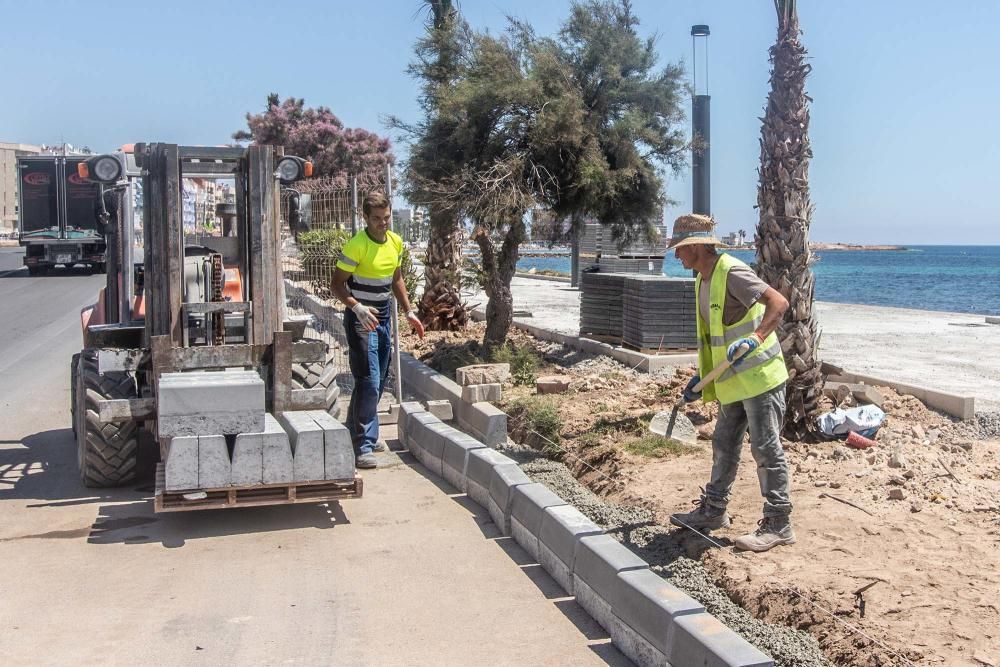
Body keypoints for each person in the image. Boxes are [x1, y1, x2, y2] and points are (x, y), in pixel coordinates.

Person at [666, 214, 795, 552]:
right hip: (732, 382)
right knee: (724, 444)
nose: (676, 256)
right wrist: (701, 380)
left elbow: (779, 303)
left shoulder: (731, 271)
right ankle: (713, 511)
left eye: (679, 250)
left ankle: (779, 522)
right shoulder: (702, 279)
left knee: (766, 449)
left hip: (760, 378)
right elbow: (716, 341)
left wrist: (757, 337)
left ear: (695, 246)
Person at [332, 192, 424, 469]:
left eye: (386, 218)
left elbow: (397, 278)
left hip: (384, 316)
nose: (383, 224)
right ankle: (364, 445)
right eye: (376, 219)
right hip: (362, 317)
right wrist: (356, 307)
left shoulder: (395, 242)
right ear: (365, 218)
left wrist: (409, 311)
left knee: (379, 378)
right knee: (369, 379)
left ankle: (359, 432)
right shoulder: (356, 246)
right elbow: (336, 284)